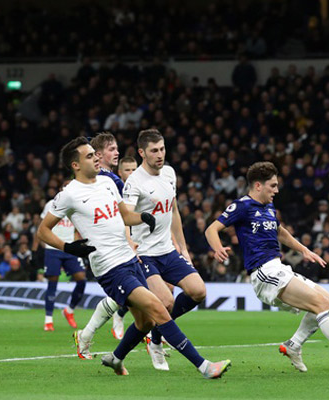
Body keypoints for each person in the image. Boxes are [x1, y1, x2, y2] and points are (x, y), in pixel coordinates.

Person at [38, 137, 230, 378]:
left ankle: (116, 358)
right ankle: (205, 367)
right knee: (158, 307)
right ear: (75, 165)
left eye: (95, 154)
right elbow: (42, 230)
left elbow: (125, 216)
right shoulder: (69, 195)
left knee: (146, 322)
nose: (96, 158)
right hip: (109, 267)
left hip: (130, 258)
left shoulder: (107, 184)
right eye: (89, 156)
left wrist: (143, 218)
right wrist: (68, 247)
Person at [205, 161, 329, 373]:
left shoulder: (268, 206)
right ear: (258, 185)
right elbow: (211, 229)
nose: (277, 190)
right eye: (273, 186)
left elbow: (279, 232)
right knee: (321, 303)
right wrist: (217, 248)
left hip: (279, 268)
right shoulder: (242, 206)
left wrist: (304, 249)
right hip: (263, 273)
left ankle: (293, 345)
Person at [122, 129, 206, 371]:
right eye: (154, 151)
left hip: (167, 250)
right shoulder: (134, 182)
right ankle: (154, 344)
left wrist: (183, 247)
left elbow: (174, 210)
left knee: (199, 291)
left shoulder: (169, 173)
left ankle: (156, 335)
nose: (160, 155)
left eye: (162, 149)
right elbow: (124, 216)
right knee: (166, 302)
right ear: (141, 153)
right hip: (144, 253)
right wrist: (130, 244)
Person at [84, 133, 130, 340]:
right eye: (112, 149)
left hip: (117, 245)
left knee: (141, 293)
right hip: (114, 248)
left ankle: (86, 335)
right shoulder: (106, 180)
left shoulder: (106, 179)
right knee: (144, 293)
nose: (117, 152)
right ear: (99, 155)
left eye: (117, 148)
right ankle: (154, 340)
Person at [38, 180, 87, 331]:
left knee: (82, 279)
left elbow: (80, 226)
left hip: (70, 248)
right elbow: (41, 227)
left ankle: (69, 310)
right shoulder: (50, 204)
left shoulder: (77, 204)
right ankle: (48, 320)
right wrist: (38, 248)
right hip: (53, 248)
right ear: (60, 190)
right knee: (52, 282)